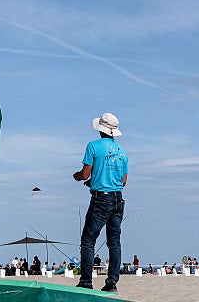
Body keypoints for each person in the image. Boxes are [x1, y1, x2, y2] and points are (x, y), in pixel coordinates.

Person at [73, 112, 128, 292]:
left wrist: (78, 177)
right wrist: (97, 178)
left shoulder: (93, 146)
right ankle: (111, 282)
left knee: (88, 240)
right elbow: (123, 181)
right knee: (114, 242)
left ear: (100, 130)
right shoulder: (122, 151)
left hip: (101, 198)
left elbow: (85, 174)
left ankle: (86, 282)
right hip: (117, 198)